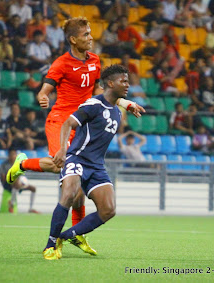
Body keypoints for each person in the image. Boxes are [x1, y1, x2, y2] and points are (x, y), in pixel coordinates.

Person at [5, 17, 143, 256]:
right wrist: (43, 98)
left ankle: (76, 234)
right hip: (62, 120)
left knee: (75, 183)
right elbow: (45, 89)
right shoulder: (61, 63)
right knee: (63, 165)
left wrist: (124, 102)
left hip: (85, 119)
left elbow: (102, 90)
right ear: (73, 39)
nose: (91, 37)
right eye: (86, 34)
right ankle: (23, 164)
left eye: (90, 33)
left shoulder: (95, 61)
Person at [43, 64, 143, 260]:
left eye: (128, 81)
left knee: (109, 209)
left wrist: (126, 103)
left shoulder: (116, 112)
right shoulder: (93, 104)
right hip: (77, 158)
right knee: (70, 193)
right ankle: (50, 244)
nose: (127, 85)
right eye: (123, 81)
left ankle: (68, 236)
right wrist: (63, 149)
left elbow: (115, 102)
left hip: (97, 165)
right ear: (110, 83)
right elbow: (68, 123)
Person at [0, 148, 39, 213]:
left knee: (33, 188)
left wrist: (23, 182)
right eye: (12, 154)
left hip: (19, 184)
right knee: (15, 182)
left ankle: (30, 208)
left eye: (15, 154)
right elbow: (3, 178)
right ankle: (11, 205)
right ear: (8, 155)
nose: (13, 156)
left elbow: (22, 175)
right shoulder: (4, 165)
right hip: (7, 184)